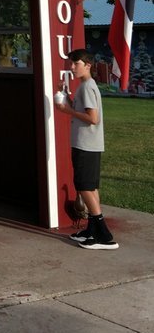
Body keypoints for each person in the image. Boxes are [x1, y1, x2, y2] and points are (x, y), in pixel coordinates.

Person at [56, 49, 118, 249]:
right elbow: (84, 111)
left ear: (88, 65)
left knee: (83, 186)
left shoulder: (86, 87)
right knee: (90, 187)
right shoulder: (86, 86)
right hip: (88, 144)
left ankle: (104, 234)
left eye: (76, 64)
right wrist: (68, 99)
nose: (72, 68)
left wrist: (67, 110)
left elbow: (93, 118)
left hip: (86, 145)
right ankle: (92, 231)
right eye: (72, 64)